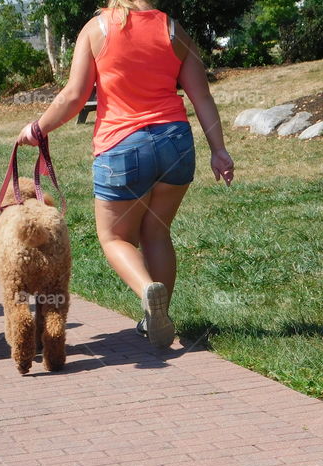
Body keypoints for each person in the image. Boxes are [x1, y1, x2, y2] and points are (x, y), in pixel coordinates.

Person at [17, 0, 234, 349]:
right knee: (157, 233)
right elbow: (202, 96)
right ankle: (156, 318)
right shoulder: (173, 29)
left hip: (121, 146)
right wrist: (219, 150)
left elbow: (74, 96)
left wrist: (38, 129)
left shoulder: (96, 29)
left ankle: (148, 292)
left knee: (114, 237)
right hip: (175, 143)